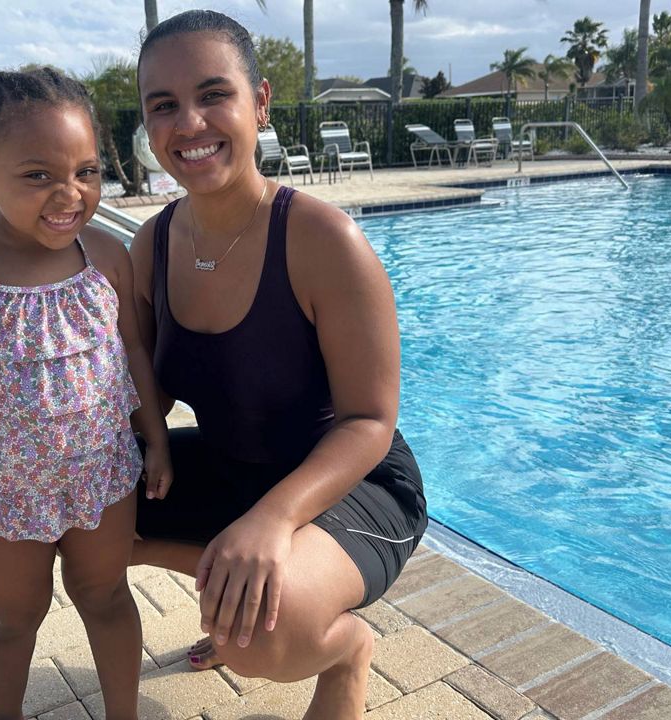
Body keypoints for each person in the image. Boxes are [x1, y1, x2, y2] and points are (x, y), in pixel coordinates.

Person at [129, 10, 428, 719]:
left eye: (213, 95)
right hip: (237, 472)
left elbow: (369, 421)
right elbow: (142, 390)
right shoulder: (154, 243)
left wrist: (272, 521)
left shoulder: (323, 239)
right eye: (163, 106)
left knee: (265, 635)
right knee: (82, 511)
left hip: (353, 487)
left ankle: (342, 648)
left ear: (259, 103)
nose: (190, 123)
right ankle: (232, 593)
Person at [0, 68, 172, 720]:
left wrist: (155, 438)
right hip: (2, 488)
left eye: (86, 170)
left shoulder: (105, 255)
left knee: (105, 596)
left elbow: (132, 353)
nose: (69, 193)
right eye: (38, 175)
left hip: (101, 476)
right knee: (16, 617)